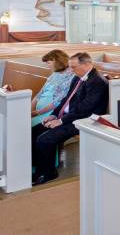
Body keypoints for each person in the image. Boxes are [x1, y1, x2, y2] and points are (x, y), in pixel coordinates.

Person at [31, 52, 108, 185]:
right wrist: (54, 115)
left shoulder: (98, 82)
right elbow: (66, 99)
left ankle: (49, 173)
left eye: (74, 67)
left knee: (45, 139)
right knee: (33, 131)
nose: (71, 70)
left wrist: (61, 121)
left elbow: (84, 109)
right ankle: (38, 169)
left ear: (87, 64)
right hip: (69, 116)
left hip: (83, 121)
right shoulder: (77, 77)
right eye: (70, 67)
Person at [31, 50, 75, 127]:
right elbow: (40, 93)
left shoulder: (71, 76)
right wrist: (30, 110)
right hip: (37, 112)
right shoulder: (55, 73)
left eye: (48, 63)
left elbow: (57, 102)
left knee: (30, 128)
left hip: (51, 113)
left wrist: (38, 112)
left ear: (56, 61)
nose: (47, 66)